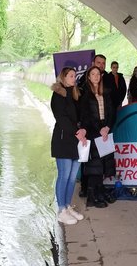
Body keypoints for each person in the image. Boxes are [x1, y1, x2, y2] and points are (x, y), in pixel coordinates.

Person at [51, 67, 88, 225]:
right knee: (64, 175)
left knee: (72, 177)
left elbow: (81, 115)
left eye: (75, 76)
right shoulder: (58, 94)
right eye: (71, 76)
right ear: (63, 78)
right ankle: (61, 210)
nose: (74, 78)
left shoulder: (75, 94)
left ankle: (67, 206)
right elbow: (62, 118)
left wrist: (83, 129)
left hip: (76, 140)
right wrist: (77, 132)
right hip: (63, 140)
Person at [79, 65, 116, 208]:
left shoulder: (105, 93)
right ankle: (91, 197)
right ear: (88, 77)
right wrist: (100, 129)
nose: (96, 76)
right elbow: (85, 117)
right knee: (94, 167)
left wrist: (107, 127)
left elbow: (112, 113)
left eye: (98, 74)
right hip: (93, 132)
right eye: (93, 74)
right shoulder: (85, 94)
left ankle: (100, 193)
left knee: (104, 165)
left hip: (105, 132)